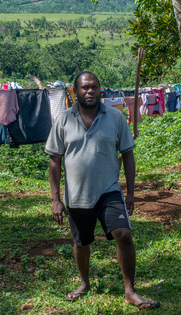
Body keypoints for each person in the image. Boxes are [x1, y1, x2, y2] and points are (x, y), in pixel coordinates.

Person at [45, 71, 159, 310]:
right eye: (85, 88)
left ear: (100, 90)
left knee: (124, 235)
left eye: (94, 87)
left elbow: (127, 154)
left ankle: (130, 291)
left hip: (109, 191)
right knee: (81, 242)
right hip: (76, 195)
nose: (90, 91)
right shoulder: (63, 120)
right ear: (75, 92)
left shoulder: (115, 117)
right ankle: (84, 283)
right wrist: (55, 199)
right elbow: (54, 160)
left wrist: (130, 193)